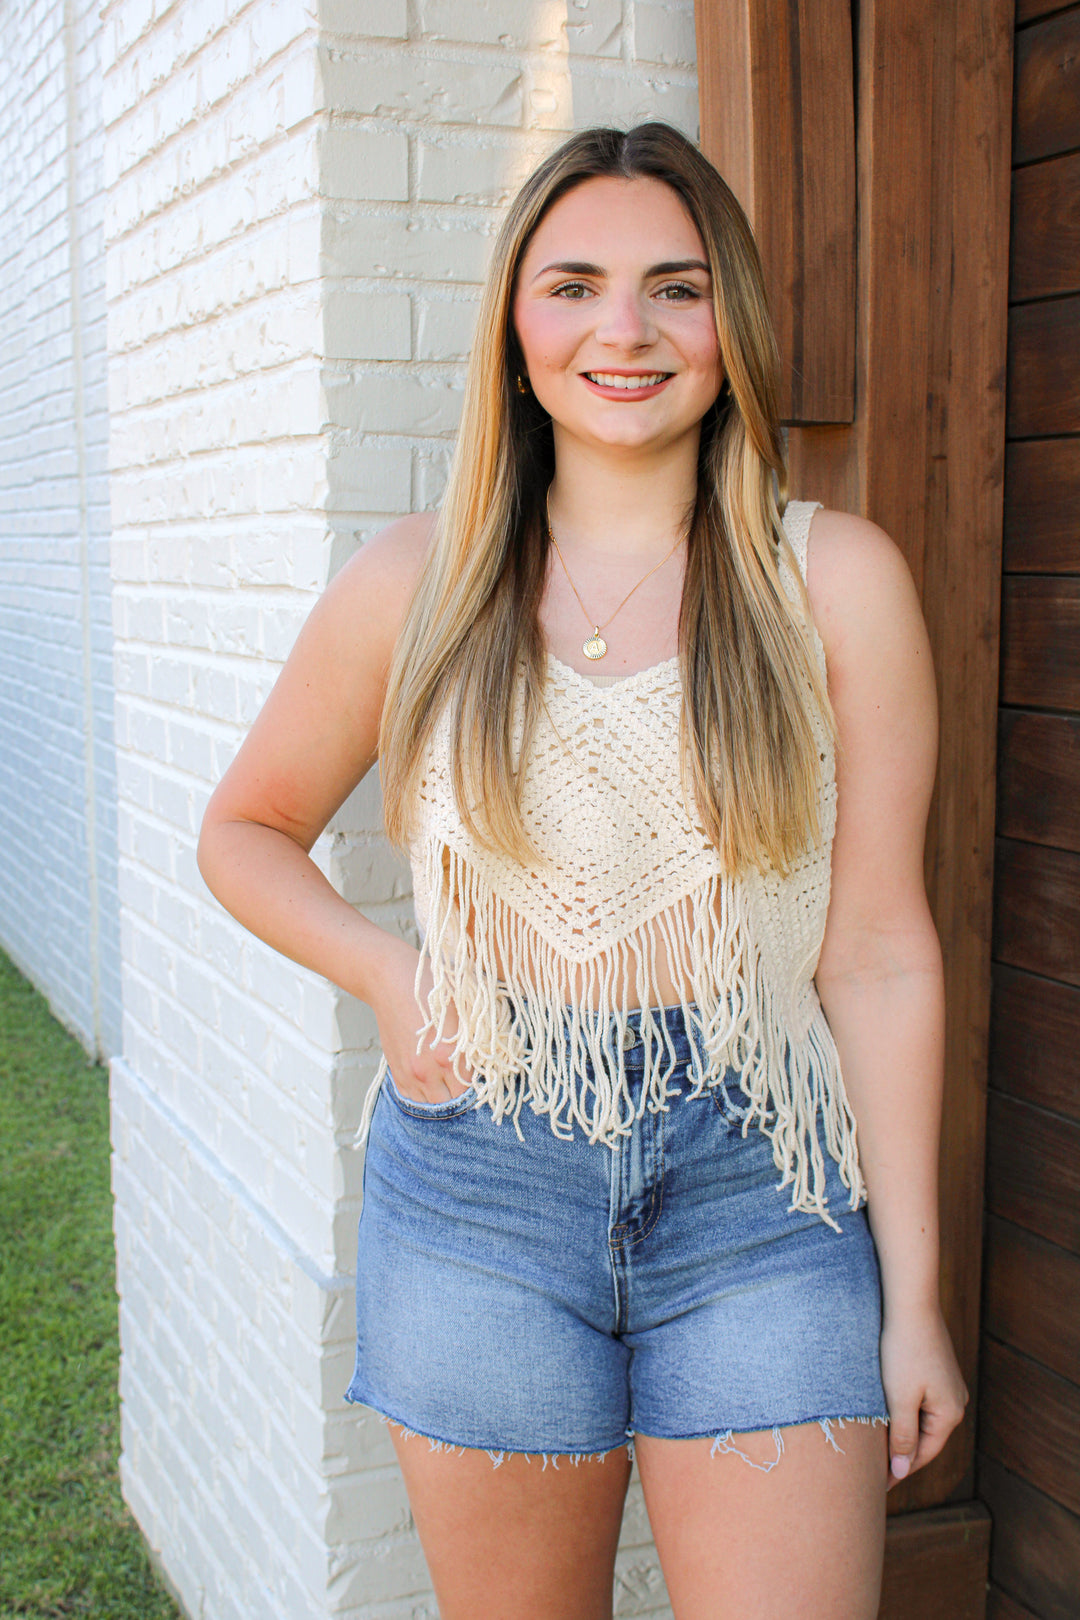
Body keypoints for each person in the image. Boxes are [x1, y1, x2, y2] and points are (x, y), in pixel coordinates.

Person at [197, 123, 968, 1620]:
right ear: (514, 324)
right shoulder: (415, 582)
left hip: (765, 1181)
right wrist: (389, 973)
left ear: (733, 327)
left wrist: (915, 1302)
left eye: (677, 288)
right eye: (575, 287)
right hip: (480, 1184)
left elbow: (878, 951)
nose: (626, 330)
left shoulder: (835, 578)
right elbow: (244, 830)